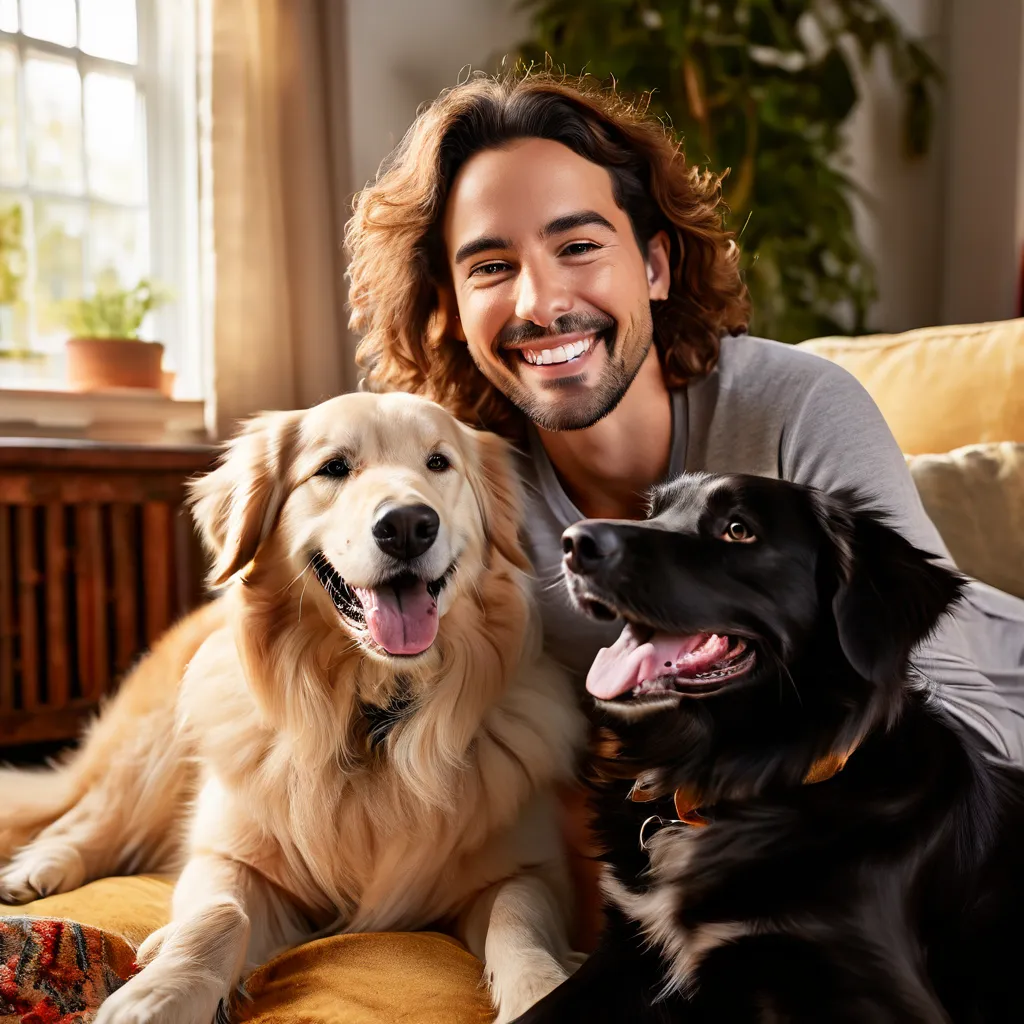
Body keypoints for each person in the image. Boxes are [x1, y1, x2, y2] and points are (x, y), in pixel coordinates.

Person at [345, 70, 1024, 767]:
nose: (539, 304)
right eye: (491, 266)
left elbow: (957, 709)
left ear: (654, 267)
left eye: (578, 247)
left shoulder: (796, 406)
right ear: (449, 310)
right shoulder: (457, 492)